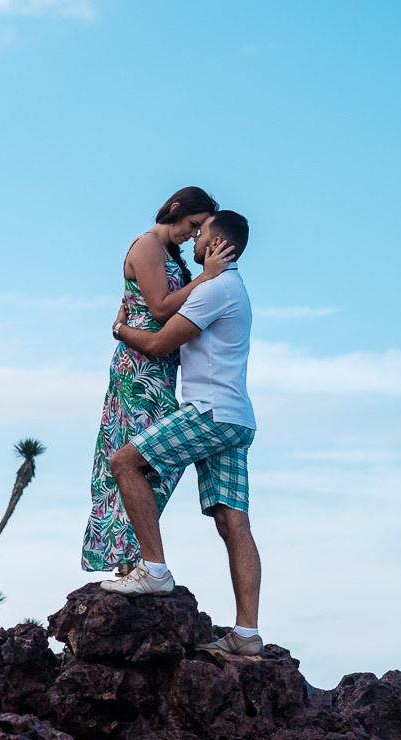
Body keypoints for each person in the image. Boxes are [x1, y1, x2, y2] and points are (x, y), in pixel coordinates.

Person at [101, 210, 261, 657]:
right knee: (233, 522)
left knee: (124, 462)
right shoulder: (234, 287)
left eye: (201, 232)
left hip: (210, 414)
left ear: (217, 244)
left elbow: (157, 344)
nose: (194, 238)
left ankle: (154, 570)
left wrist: (119, 329)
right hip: (236, 419)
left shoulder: (215, 289)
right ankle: (247, 634)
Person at [82, 187, 229, 575]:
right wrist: (207, 277)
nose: (192, 235)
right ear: (175, 209)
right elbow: (161, 308)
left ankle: (134, 556)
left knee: (150, 463)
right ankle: (129, 560)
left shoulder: (168, 253)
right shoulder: (147, 246)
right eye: (192, 225)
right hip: (138, 370)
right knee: (137, 459)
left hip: (159, 371)